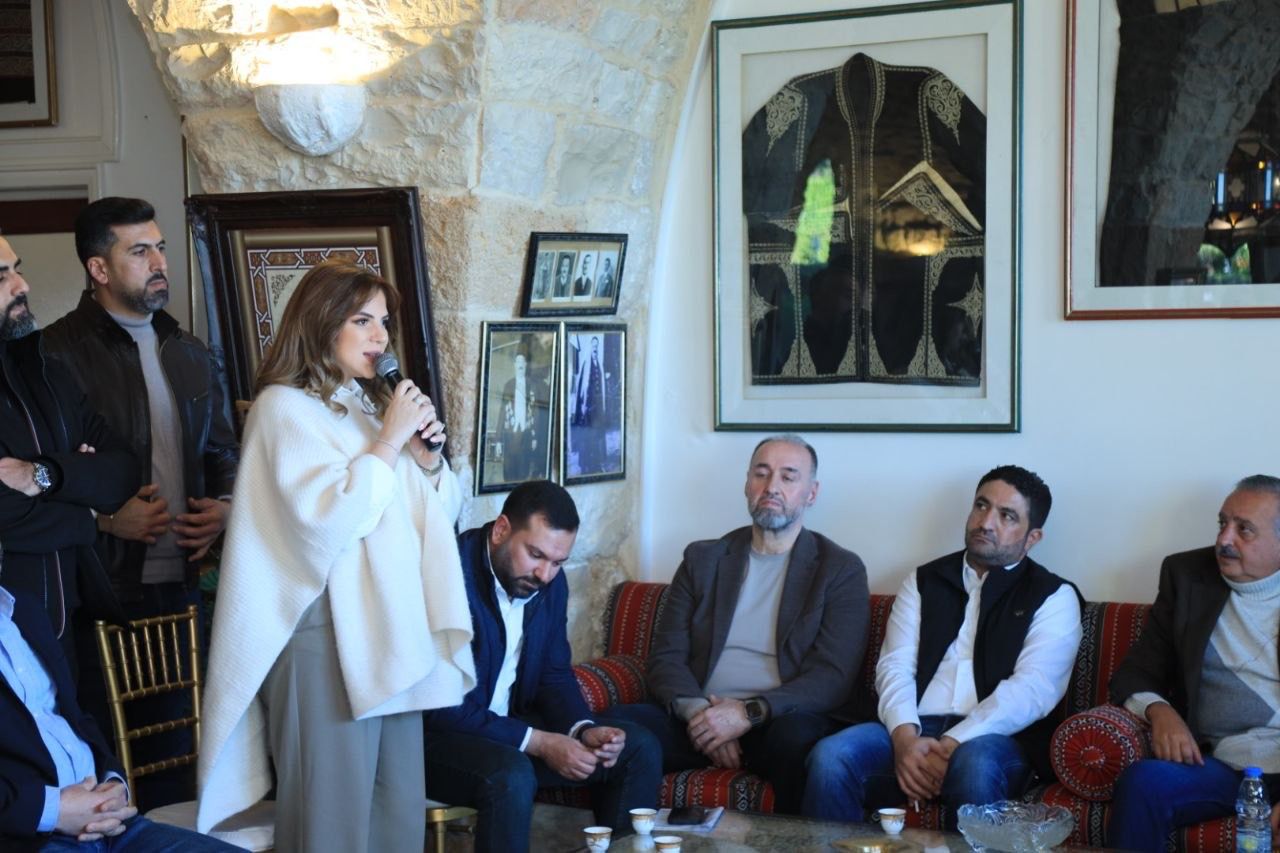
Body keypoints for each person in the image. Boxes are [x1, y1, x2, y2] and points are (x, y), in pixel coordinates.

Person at [195, 261, 475, 853]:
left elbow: (433, 519)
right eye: (362, 320)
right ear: (323, 323)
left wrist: (427, 462)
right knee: (332, 825)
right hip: (322, 634)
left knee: (395, 817)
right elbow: (330, 523)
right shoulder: (282, 409)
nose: (380, 337)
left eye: (384, 322)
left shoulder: (365, 408)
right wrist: (390, 441)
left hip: (388, 631)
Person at [42, 197, 240, 806]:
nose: (159, 263)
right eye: (140, 251)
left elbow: (225, 451)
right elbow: (36, 481)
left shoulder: (190, 350)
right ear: (98, 268)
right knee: (109, 771)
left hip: (184, 588)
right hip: (97, 595)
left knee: (186, 767)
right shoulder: (51, 356)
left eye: (160, 248)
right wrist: (106, 519)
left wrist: (226, 506)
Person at [803, 465, 1082, 828]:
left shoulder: (1054, 596)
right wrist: (905, 739)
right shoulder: (923, 580)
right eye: (981, 505)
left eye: (1007, 515)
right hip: (913, 725)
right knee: (831, 757)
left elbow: (1032, 690)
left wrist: (951, 742)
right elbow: (894, 665)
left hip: (996, 738)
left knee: (975, 765)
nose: (986, 522)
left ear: (1032, 538)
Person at [611, 435, 869, 814]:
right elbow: (666, 656)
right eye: (761, 474)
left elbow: (831, 677)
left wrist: (746, 714)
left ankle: (785, 843)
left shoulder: (840, 570)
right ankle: (625, 838)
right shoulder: (703, 559)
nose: (772, 487)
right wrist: (703, 718)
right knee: (615, 730)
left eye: (788, 477)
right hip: (698, 715)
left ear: (811, 493)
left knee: (796, 740)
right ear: (747, 484)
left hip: (779, 721)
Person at [423, 480, 662, 852]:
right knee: (511, 775)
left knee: (637, 748)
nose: (545, 575)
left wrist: (582, 729)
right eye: (535, 555)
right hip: (435, 743)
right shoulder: (449, 577)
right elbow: (443, 707)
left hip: (508, 730)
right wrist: (539, 742)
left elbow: (553, 675)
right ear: (501, 530)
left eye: (558, 562)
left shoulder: (548, 583)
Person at [0, 572, 239, 852]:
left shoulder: (24, 609)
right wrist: (53, 811)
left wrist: (114, 782)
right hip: (29, 838)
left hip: (115, 825)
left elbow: (76, 719)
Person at [1106, 475, 1280, 851]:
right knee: (1144, 783)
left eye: (1244, 529)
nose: (1224, 539)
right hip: (1223, 765)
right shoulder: (1187, 576)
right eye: (1223, 523)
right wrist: (1159, 711)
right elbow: (1136, 671)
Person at [0, 231, 137, 662]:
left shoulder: (44, 370)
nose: (22, 285)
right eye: (2, 277)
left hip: (69, 627)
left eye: (17, 270)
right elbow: (5, 515)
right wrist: (88, 514)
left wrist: (46, 475)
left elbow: (123, 470)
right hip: (9, 640)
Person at [498, 350, 548, 482]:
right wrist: (498, 440)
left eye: (523, 362)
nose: (520, 364)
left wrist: (535, 437)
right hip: (510, 434)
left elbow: (536, 414)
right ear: (515, 365)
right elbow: (502, 413)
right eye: (518, 361)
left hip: (526, 434)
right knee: (509, 472)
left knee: (524, 471)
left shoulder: (533, 386)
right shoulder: (508, 385)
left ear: (525, 365)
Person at [570, 335, 607, 475]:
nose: (595, 348)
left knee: (596, 436)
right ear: (590, 347)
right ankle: (585, 465)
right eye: (593, 346)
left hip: (597, 409)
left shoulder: (599, 365)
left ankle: (595, 464)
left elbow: (601, 387)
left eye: (597, 346)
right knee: (587, 437)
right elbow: (583, 388)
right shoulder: (586, 365)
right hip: (587, 408)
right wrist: (583, 406)